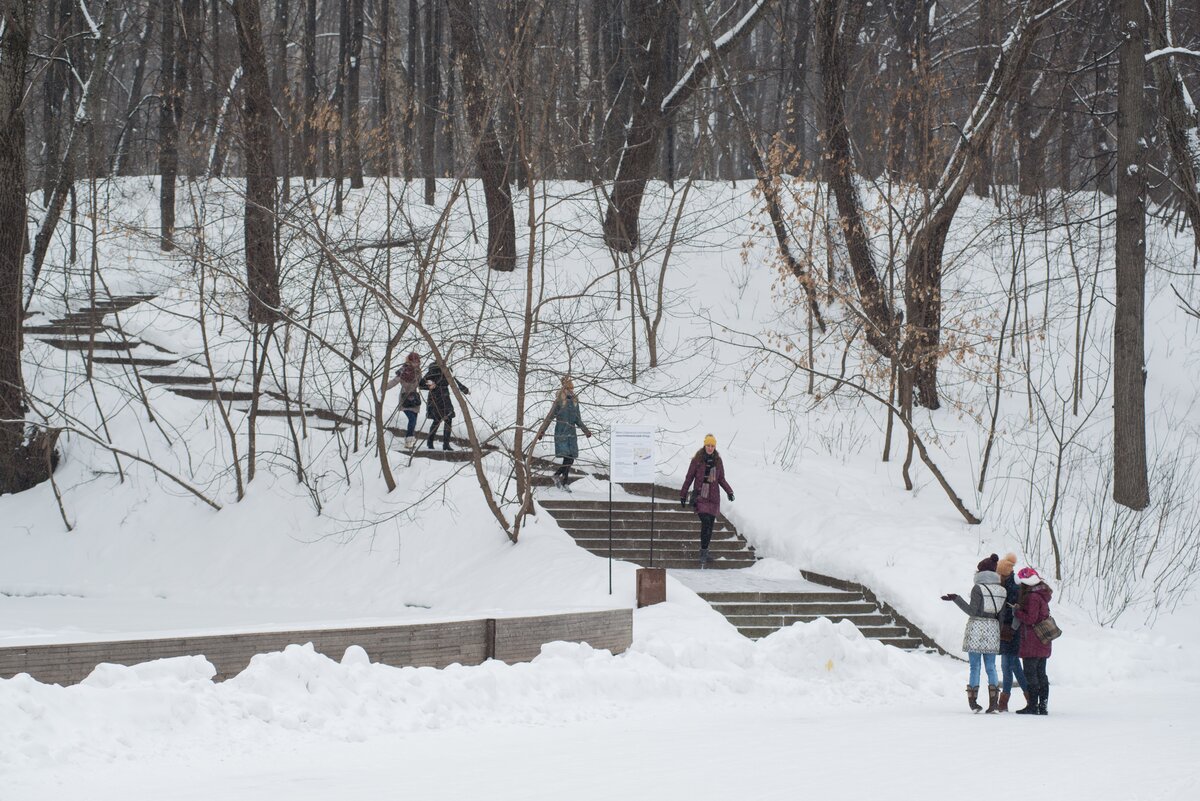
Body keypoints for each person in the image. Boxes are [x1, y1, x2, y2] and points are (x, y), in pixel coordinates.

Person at [941, 554, 1007, 713]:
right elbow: (1002, 616)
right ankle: (994, 704)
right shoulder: (1002, 590)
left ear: (980, 572)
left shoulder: (978, 588)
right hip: (993, 628)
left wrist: (957, 599)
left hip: (977, 628)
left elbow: (972, 611)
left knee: (975, 666)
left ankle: (973, 702)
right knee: (991, 667)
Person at [679, 434, 733, 568]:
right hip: (701, 496)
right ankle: (704, 552)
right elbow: (689, 477)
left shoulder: (718, 461)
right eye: (708, 445)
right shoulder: (697, 460)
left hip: (713, 498)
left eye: (712, 446)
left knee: (710, 526)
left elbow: (721, 479)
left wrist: (729, 491)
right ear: (704, 445)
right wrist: (683, 494)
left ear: (715, 447)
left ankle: (704, 550)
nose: (710, 448)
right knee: (706, 522)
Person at [537, 377, 592, 491]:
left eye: (572, 388)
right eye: (569, 388)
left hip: (571, 434)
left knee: (570, 458)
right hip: (561, 433)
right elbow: (550, 416)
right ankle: (563, 481)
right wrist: (542, 431)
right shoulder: (559, 401)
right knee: (568, 457)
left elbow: (578, 419)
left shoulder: (575, 402)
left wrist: (585, 430)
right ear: (564, 388)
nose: (571, 391)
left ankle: (559, 477)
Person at [1013, 566, 1054, 716]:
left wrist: (1017, 612)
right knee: (1041, 674)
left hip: (1032, 641)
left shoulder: (1032, 597)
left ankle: (1032, 706)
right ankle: (1042, 706)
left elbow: (1030, 619)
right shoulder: (1041, 595)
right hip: (1043, 640)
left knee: (1031, 674)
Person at [996, 552, 1029, 712]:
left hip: (1012, 632)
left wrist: (1012, 629)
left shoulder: (1014, 588)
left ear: (1004, 574)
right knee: (1012, 666)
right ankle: (1028, 697)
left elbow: (1016, 611)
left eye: (999, 574)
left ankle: (1005, 702)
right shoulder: (1005, 586)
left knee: (1009, 665)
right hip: (1006, 631)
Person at [422, 361, 469, 451]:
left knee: (447, 419)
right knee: (438, 420)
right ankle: (431, 442)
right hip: (435, 398)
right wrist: (430, 384)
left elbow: (454, 381)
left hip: (444, 397)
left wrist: (465, 390)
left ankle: (444, 444)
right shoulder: (433, 371)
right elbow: (422, 384)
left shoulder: (445, 371)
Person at [383, 352, 423, 448]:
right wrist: (384, 387)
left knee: (414, 421)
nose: (415, 363)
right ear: (409, 361)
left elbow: (421, 383)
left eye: (417, 361)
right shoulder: (403, 371)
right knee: (412, 419)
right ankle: (409, 440)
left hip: (415, 398)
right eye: (413, 361)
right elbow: (395, 381)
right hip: (405, 398)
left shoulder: (418, 371)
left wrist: (430, 385)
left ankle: (409, 441)